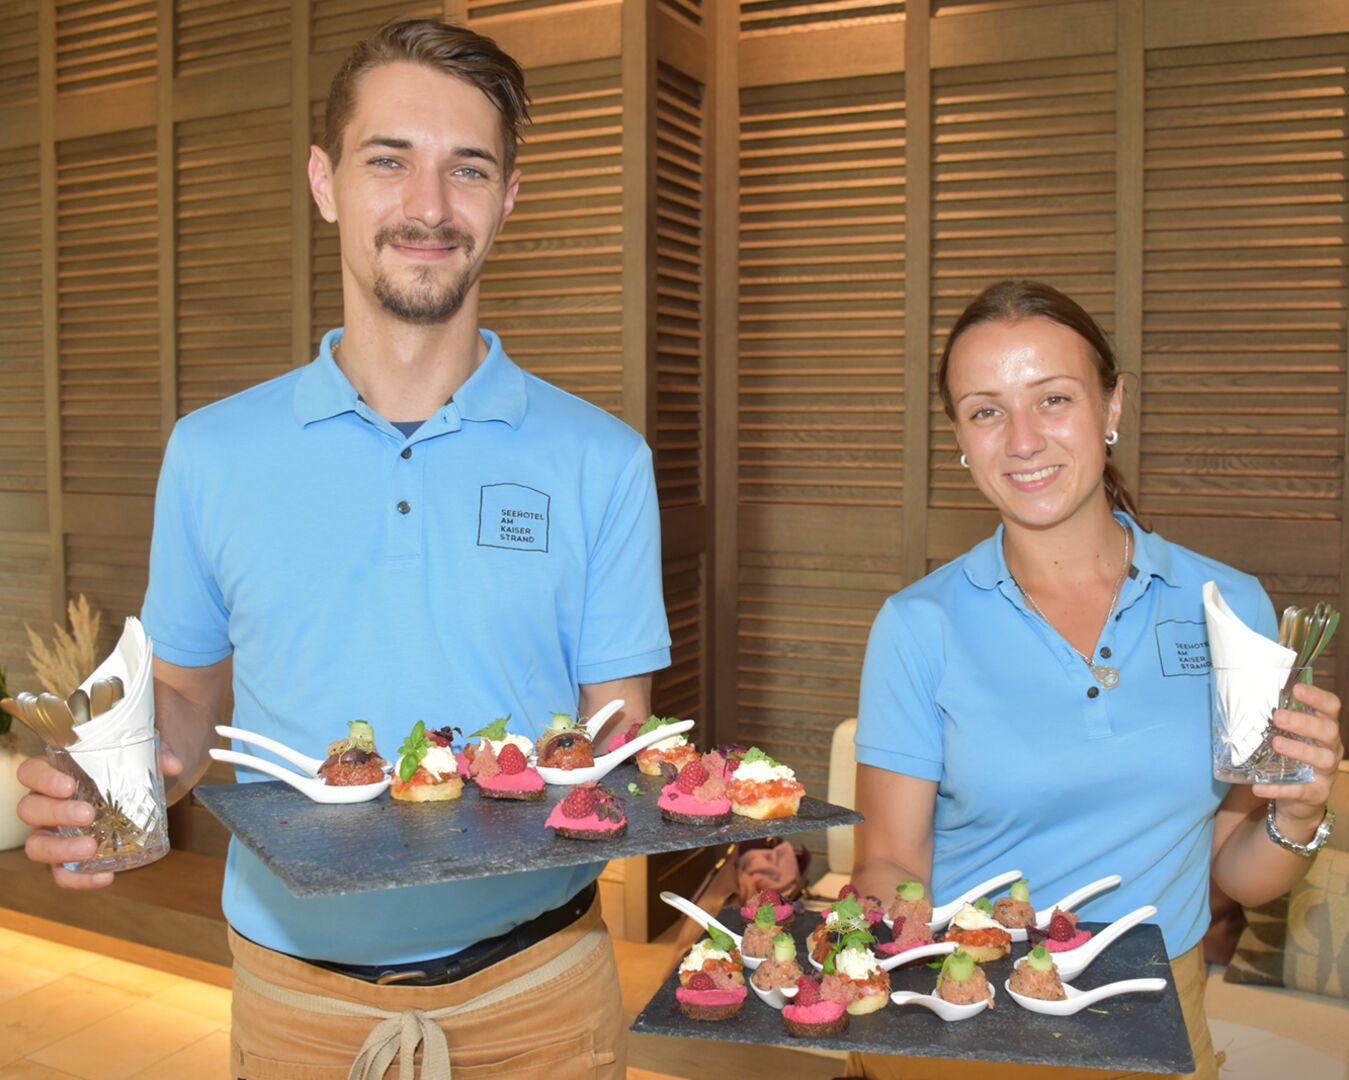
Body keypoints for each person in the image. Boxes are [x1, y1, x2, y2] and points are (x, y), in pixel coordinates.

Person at [18, 17, 670, 1079]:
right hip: (293, 1002)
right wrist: (123, 780)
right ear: (325, 181)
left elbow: (612, 736)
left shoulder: (602, 458)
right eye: (388, 160)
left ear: (508, 199)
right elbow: (186, 699)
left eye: (467, 169)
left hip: (539, 997)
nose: (427, 205)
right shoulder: (211, 450)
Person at [847, 280, 1342, 1080]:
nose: (1020, 440)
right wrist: (863, 941)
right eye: (985, 411)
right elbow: (891, 860)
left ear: (1112, 406)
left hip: (1155, 1016)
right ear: (959, 439)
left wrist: (1302, 807)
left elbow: (1233, 866)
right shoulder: (918, 624)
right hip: (966, 1013)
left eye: (1051, 400)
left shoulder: (1227, 606)